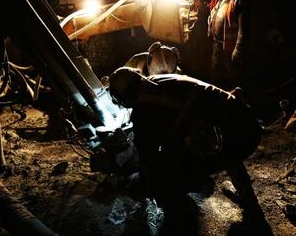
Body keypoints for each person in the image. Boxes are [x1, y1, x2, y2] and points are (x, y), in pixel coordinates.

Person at [108, 67, 268, 233]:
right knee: (215, 139)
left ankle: (180, 224)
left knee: (172, 176)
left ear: (127, 97)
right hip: (248, 124)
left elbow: (148, 156)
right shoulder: (165, 79)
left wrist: (147, 179)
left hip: (239, 139)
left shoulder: (143, 110)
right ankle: (248, 198)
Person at [208, 0, 250, 89]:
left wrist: (237, 51)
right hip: (217, 46)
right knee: (216, 77)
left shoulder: (239, 0)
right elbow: (214, 12)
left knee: (233, 79)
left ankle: (236, 103)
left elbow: (244, 30)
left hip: (230, 48)